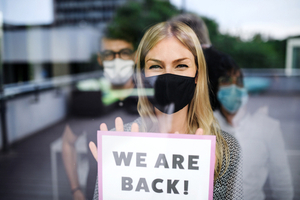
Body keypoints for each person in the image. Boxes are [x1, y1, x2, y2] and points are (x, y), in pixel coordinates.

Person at [90, 21, 243, 199]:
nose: (168, 76)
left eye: (181, 65)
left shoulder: (224, 149)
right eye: (156, 66)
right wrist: (114, 187)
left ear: (197, 74)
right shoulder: (119, 143)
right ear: (144, 76)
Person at [62, 33, 138, 200]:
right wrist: (76, 190)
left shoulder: (149, 96)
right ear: (100, 59)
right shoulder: (89, 97)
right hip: (96, 192)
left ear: (135, 56)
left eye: (124, 52)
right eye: (109, 55)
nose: (117, 61)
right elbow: (67, 143)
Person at [211, 55, 294, 200]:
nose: (233, 87)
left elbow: (282, 185)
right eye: (226, 81)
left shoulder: (269, 128)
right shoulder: (207, 123)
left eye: (239, 82)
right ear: (217, 88)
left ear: (248, 89)